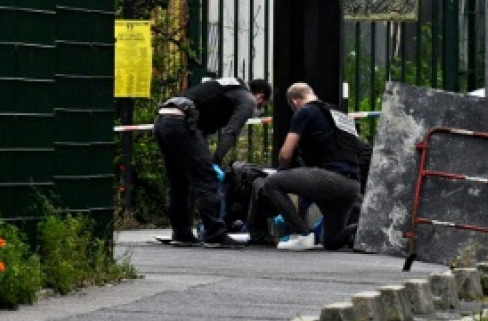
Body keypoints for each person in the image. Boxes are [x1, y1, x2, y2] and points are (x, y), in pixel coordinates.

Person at [153, 76, 271, 247]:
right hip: (181, 121)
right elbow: (231, 131)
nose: (259, 109)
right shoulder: (247, 99)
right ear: (260, 97)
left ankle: (181, 233)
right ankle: (215, 234)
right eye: (262, 106)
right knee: (207, 179)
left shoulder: (225, 87)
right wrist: (215, 161)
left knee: (179, 181)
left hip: (163, 121)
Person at [258, 81, 364, 252]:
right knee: (331, 241)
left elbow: (285, 155)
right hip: (352, 186)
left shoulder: (305, 111)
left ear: (294, 102)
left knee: (272, 182)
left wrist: (285, 169)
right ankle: (365, 227)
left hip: (329, 179)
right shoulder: (339, 114)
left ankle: (302, 233)